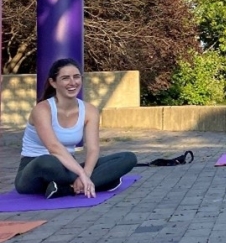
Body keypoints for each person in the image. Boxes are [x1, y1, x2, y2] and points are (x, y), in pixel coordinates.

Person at [17, 58, 137, 199]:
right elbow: (53, 147)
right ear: (53, 83)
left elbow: (93, 149)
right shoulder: (42, 109)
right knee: (48, 161)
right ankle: (101, 182)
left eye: (76, 77)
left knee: (127, 158)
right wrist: (81, 174)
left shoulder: (89, 110)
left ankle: (66, 188)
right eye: (65, 78)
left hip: (68, 168)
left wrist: (85, 173)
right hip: (36, 169)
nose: (72, 83)